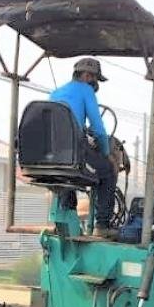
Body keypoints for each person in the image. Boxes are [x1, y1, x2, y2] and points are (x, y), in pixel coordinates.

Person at [49, 56, 118, 234]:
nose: (96, 85)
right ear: (87, 76)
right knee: (108, 171)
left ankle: (67, 216)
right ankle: (102, 225)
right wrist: (106, 152)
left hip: (51, 155)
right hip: (74, 152)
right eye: (95, 80)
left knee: (65, 174)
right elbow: (99, 129)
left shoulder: (55, 93)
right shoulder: (86, 90)